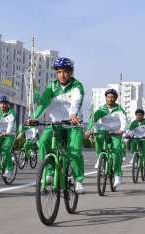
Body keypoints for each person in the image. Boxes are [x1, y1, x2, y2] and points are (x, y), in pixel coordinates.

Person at [28, 57, 85, 194]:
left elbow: (77, 102)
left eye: (65, 72)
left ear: (71, 73)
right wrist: (33, 118)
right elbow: (43, 104)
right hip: (56, 123)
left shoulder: (77, 85)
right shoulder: (51, 87)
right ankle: (49, 172)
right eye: (59, 72)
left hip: (74, 123)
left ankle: (78, 180)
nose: (62, 75)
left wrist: (72, 115)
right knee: (43, 142)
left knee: (74, 152)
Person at [85, 88, 127, 188]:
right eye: (108, 97)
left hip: (115, 133)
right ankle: (100, 156)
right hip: (103, 130)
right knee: (98, 137)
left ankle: (117, 175)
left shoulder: (120, 110)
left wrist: (122, 130)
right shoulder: (101, 109)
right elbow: (93, 119)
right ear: (106, 98)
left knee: (116, 153)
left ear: (115, 98)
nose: (110, 99)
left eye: (112, 97)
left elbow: (124, 120)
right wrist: (89, 129)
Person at [128, 109, 145, 176]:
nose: (139, 116)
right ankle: (134, 155)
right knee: (133, 143)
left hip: (144, 139)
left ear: (143, 116)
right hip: (136, 138)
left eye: (140, 115)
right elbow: (131, 132)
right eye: (138, 115)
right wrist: (128, 135)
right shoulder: (133, 123)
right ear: (136, 115)